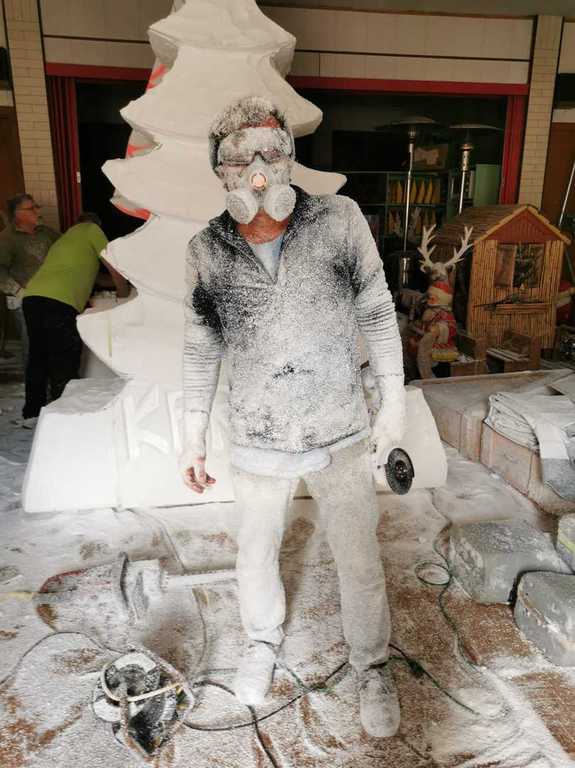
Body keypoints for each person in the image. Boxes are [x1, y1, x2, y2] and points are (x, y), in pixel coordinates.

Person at [180, 97, 406, 738]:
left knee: (359, 557)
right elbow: (200, 347)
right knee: (256, 552)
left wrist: (393, 406)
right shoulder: (207, 249)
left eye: (271, 152)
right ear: (219, 169)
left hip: (339, 426)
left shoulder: (340, 221)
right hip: (258, 433)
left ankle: (371, 666)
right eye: (240, 158)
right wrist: (192, 437)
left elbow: (377, 312)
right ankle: (261, 642)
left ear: (290, 157)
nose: (258, 171)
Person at [20, 213, 129, 427]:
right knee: (64, 357)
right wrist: (123, 291)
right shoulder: (91, 229)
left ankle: (32, 413)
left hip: (33, 297)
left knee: (38, 357)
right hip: (58, 301)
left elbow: (96, 278)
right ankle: (64, 414)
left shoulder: (64, 240)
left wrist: (116, 283)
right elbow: (113, 263)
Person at [0, 194, 59, 367]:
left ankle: (51, 380)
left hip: (49, 295)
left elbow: (67, 245)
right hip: (23, 300)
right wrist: (19, 291)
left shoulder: (45, 232)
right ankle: (34, 384)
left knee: (52, 343)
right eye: (31, 208)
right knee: (33, 347)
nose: (37, 211)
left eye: (36, 206)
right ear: (17, 213)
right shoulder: (6, 239)